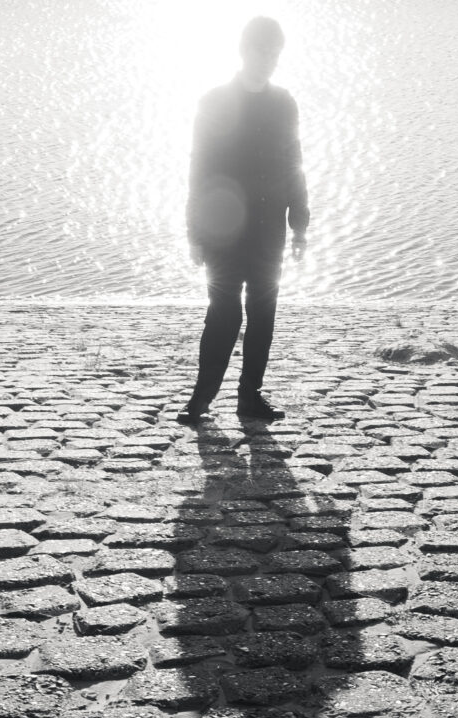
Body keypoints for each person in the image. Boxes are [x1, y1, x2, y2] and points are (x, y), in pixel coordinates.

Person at [175, 16, 308, 426]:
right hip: (223, 229)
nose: (269, 60)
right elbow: (200, 170)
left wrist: (300, 225)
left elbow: (294, 163)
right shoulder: (214, 101)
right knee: (224, 312)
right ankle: (201, 399)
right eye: (262, 52)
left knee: (263, 314)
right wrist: (195, 232)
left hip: (270, 228)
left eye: (275, 54)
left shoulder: (284, 103)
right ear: (244, 51)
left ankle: (250, 397)